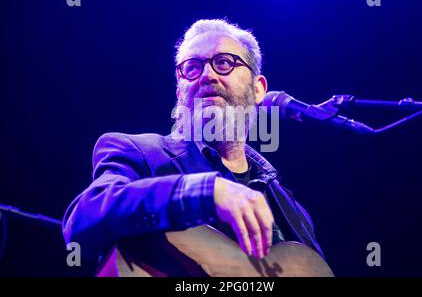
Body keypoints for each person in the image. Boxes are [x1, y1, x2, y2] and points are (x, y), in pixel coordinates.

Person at [62, 19, 323, 274]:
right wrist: (205, 192)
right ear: (179, 92)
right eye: (192, 68)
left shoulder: (291, 210)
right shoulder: (140, 152)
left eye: (223, 63)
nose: (207, 75)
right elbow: (82, 220)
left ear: (258, 89)